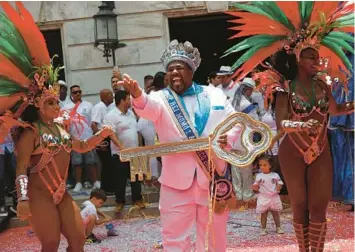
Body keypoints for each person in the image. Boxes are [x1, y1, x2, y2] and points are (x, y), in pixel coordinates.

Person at [226, 2, 354, 251]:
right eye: (310, 55)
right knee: (300, 205)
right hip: (292, 151)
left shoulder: (322, 87)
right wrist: (300, 125)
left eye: (317, 54)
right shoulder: (285, 88)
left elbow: (335, 110)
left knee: (319, 206)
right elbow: (282, 122)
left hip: (320, 150)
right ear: (297, 57)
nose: (317, 59)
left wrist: (351, 105)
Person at [0, 3, 121, 250]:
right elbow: (21, 168)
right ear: (38, 106)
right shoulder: (30, 132)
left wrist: (102, 135)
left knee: (78, 240)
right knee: (51, 243)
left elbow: (82, 146)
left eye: (57, 101)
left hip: (61, 193)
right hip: (38, 195)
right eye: (51, 102)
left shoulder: (61, 129)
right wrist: (22, 198)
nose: (57, 106)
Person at [115, 39, 246, 252]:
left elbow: (235, 121)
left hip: (213, 178)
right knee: (174, 240)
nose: (174, 72)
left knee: (215, 238)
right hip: (175, 183)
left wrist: (228, 138)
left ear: (191, 70)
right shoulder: (160, 98)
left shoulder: (214, 93)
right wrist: (137, 95)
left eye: (180, 68)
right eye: (170, 69)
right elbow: (146, 108)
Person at [103, 90, 144, 213]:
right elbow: (111, 133)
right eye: (128, 99)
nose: (130, 101)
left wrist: (140, 146)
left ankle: (137, 199)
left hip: (134, 152)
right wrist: (121, 147)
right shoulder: (111, 115)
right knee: (120, 179)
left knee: (136, 178)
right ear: (122, 100)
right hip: (120, 153)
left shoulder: (131, 114)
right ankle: (119, 202)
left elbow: (136, 131)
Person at [64, 85, 100, 192]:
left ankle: (95, 182)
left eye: (79, 92)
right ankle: (78, 183)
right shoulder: (66, 107)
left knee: (91, 161)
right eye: (75, 92)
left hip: (88, 138)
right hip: (74, 139)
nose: (78, 94)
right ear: (71, 94)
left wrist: (96, 137)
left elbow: (92, 122)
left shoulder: (88, 105)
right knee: (77, 163)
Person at [230, 78, 259, 205]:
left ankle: (238, 193)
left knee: (235, 168)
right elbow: (256, 123)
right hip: (245, 140)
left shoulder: (232, 103)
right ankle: (247, 194)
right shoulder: (246, 104)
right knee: (246, 168)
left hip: (233, 139)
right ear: (247, 90)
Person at [252, 154, 285, 235]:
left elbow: (280, 183)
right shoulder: (259, 176)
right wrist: (255, 187)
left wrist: (279, 187)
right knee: (263, 214)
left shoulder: (275, 175)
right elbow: (256, 186)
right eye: (260, 165)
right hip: (263, 197)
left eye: (264, 165)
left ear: (270, 165)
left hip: (274, 197)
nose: (262, 167)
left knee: (275, 214)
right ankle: (263, 229)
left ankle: (278, 227)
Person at [91, 89, 116, 193]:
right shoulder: (99, 107)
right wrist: (100, 140)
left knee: (109, 164)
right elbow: (93, 125)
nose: (112, 96)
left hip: (108, 137)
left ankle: (110, 187)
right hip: (102, 138)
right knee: (105, 164)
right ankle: (106, 188)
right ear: (104, 97)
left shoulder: (108, 107)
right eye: (110, 94)